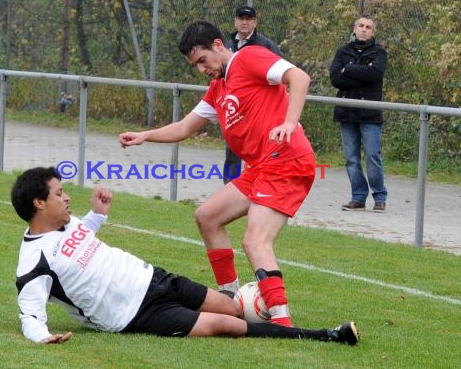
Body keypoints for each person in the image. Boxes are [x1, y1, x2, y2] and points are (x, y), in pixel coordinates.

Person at [10, 166, 359, 345]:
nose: (67, 197)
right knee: (229, 326)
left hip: (155, 278)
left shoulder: (68, 224)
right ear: (39, 203)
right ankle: (324, 335)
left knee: (234, 306)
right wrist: (42, 337)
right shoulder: (33, 263)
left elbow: (83, 236)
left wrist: (98, 214)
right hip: (135, 315)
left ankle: (273, 323)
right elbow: (30, 312)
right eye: (59, 193)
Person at [119, 21, 315, 328]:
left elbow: (299, 77)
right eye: (195, 66)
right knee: (207, 216)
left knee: (255, 241)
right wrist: (146, 135)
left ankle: (281, 320)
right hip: (262, 166)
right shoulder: (218, 90)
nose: (201, 69)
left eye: (202, 60)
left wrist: (290, 122)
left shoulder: (249, 57)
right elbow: (184, 128)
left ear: (219, 45)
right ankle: (229, 299)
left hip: (286, 159)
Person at [329, 14, 388, 213]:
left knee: (372, 156)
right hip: (347, 112)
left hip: (370, 113)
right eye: (361, 25)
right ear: (354, 29)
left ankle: (380, 197)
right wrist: (362, 72)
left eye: (368, 27)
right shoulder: (342, 51)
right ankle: (358, 197)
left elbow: (376, 74)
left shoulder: (379, 52)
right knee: (352, 158)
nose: (364, 29)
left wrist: (350, 69)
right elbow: (336, 79)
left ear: (373, 32)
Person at [222, 5, 283, 184]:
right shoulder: (228, 45)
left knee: (257, 150)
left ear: (255, 23)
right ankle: (229, 187)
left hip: (258, 107)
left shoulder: (265, 45)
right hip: (234, 105)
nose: (244, 22)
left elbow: (281, 73)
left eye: (248, 19)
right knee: (232, 149)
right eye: (241, 19)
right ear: (235, 21)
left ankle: (259, 186)